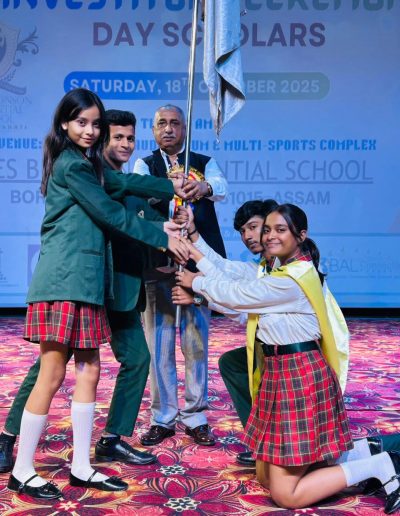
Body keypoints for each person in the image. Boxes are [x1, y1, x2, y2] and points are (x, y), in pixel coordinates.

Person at [4, 89, 190, 500]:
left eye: (94, 124)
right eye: (81, 123)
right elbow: (109, 213)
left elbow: (123, 181)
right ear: (64, 124)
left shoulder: (87, 164)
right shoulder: (71, 164)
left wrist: (170, 185)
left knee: (89, 370)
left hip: (87, 282)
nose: (89, 131)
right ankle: (22, 469)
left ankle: (82, 466)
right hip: (66, 280)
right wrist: (162, 235)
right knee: (52, 373)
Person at [175, 203, 400, 514]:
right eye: (267, 230)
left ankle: (381, 465)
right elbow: (229, 278)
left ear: (300, 235)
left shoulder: (292, 278)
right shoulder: (280, 270)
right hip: (278, 372)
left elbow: (237, 295)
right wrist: (192, 245)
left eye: (278, 230)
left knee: (286, 495)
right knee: (266, 476)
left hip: (300, 375)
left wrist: (196, 284)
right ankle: (364, 453)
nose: (267, 236)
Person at [133, 104, 228, 447]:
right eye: (162, 123)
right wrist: (168, 187)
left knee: (195, 341)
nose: (169, 128)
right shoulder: (145, 164)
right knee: (158, 344)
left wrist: (201, 188)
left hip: (197, 262)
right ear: (154, 130)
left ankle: (195, 415)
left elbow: (221, 187)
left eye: (175, 123)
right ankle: (163, 417)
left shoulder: (203, 162)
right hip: (157, 260)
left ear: (185, 129)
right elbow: (138, 193)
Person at [172, 199, 277, 466]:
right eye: (242, 231)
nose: (248, 236)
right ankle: (260, 440)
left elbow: (237, 300)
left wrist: (196, 287)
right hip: (269, 347)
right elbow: (223, 268)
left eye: (253, 227)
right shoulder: (261, 267)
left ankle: (271, 443)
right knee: (233, 363)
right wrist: (193, 234)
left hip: (292, 355)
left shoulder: (284, 269)